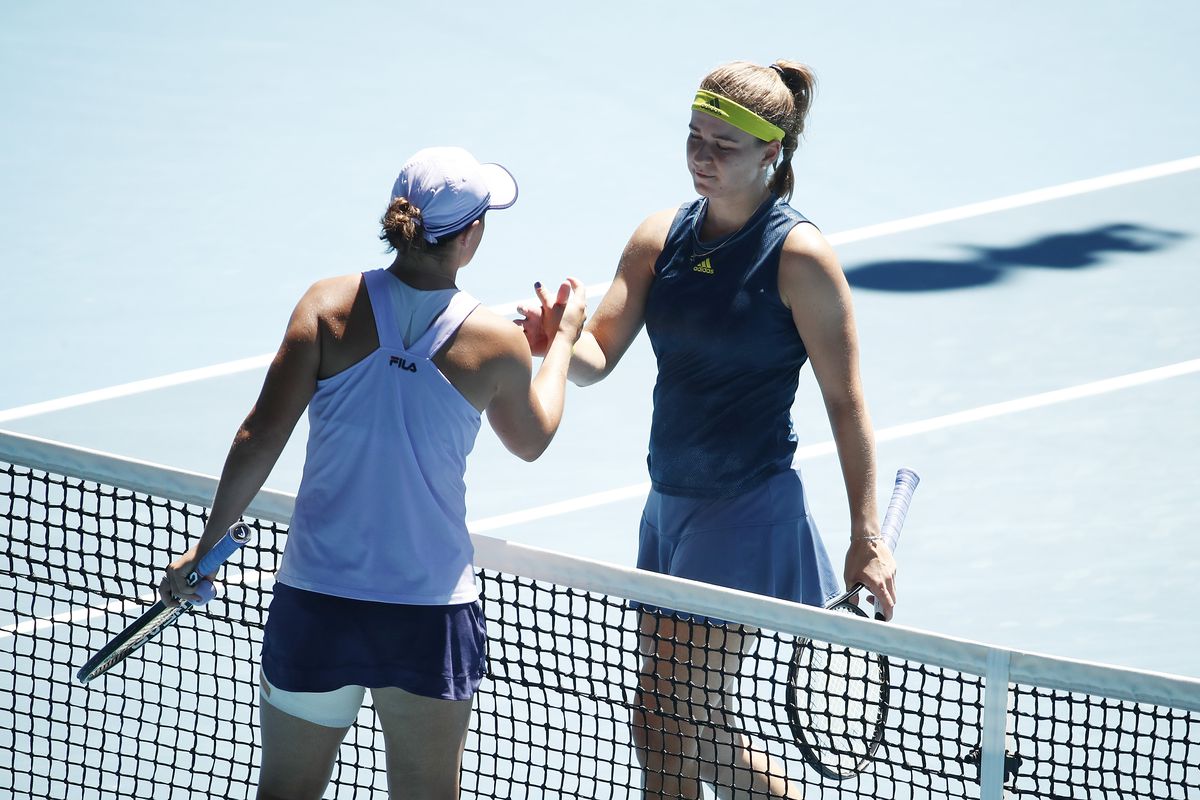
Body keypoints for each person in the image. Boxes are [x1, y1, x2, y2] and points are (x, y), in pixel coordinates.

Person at [159, 146, 586, 800]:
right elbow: (534, 438)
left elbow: (260, 434)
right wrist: (558, 343)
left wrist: (208, 544)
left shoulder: (326, 307)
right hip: (426, 620)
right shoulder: (495, 344)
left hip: (317, 605)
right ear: (470, 236)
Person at [520, 60, 896, 798]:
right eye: (694, 137)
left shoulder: (800, 259)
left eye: (724, 145)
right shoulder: (659, 238)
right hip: (669, 506)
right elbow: (599, 352)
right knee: (699, 727)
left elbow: (845, 402)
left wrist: (867, 534)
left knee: (662, 718)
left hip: (747, 512)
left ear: (772, 153)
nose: (702, 156)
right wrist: (561, 341)